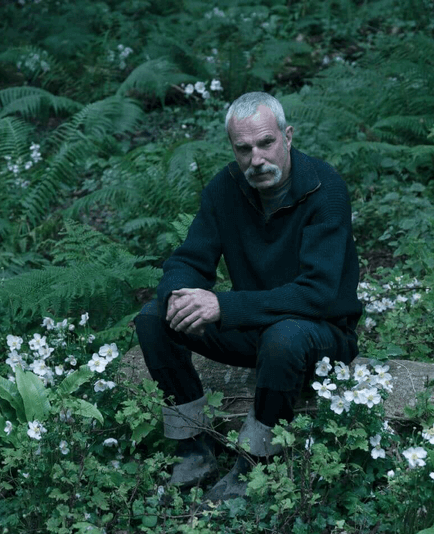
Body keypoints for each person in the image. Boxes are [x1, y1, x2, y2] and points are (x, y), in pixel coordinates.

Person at [134, 91, 362, 501]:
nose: (256, 158)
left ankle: (255, 463)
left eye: (266, 143)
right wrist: (177, 296)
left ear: (287, 136)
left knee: (285, 336)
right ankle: (194, 447)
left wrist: (223, 305)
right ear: (234, 149)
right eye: (244, 148)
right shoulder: (226, 190)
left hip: (322, 333)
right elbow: (188, 259)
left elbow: (319, 293)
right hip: (256, 325)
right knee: (154, 318)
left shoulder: (325, 189)